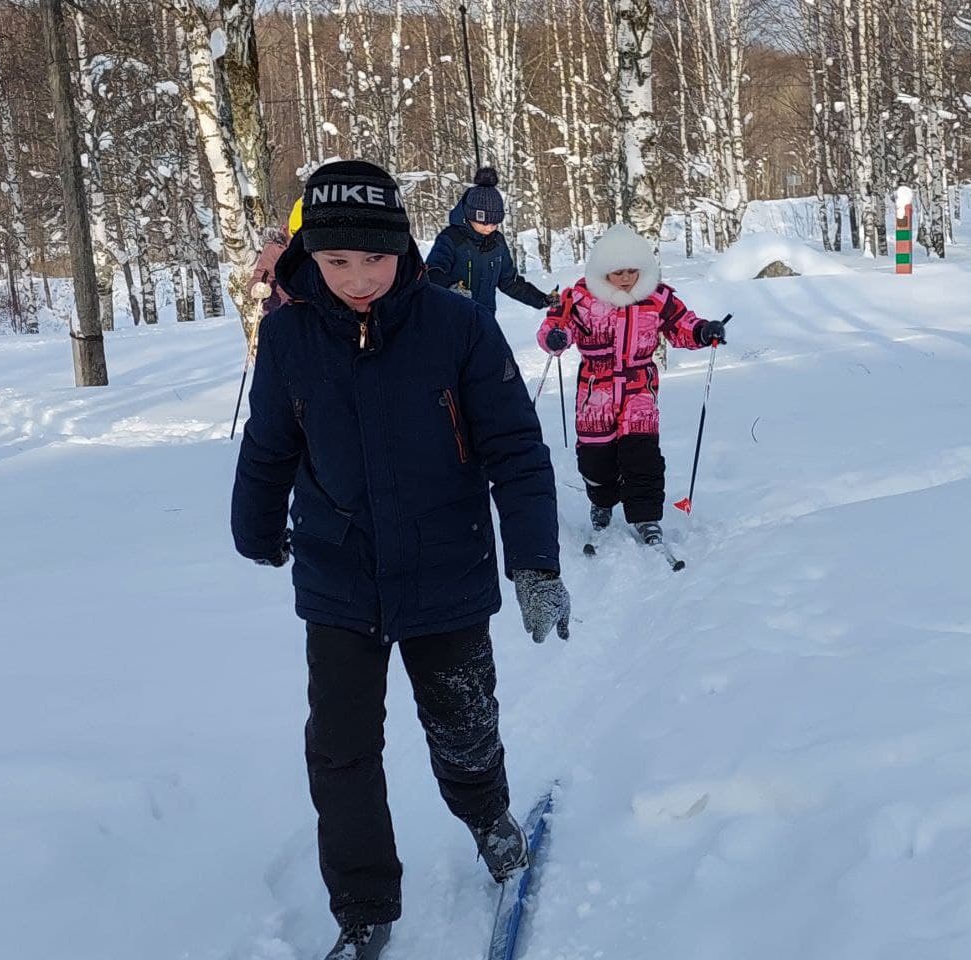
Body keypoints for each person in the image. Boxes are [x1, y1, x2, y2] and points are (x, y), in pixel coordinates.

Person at [231, 160, 572, 960]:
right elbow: (270, 443)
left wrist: (536, 562)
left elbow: (516, 449)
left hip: (445, 569)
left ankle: (487, 816)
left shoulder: (457, 326)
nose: (358, 278)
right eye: (337, 261)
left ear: (405, 248)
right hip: (338, 577)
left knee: (463, 723)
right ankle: (362, 906)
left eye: (375, 259)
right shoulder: (287, 336)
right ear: (309, 256)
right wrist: (256, 527)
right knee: (340, 749)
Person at [536, 223, 727, 546]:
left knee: (642, 454)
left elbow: (682, 324)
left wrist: (703, 331)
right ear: (603, 272)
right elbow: (557, 323)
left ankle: (646, 516)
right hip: (595, 391)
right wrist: (555, 337)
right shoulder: (581, 298)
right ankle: (602, 500)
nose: (626, 279)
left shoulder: (656, 297)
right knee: (596, 458)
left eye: (631, 271)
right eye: (617, 272)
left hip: (639, 388)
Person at [425, 167, 559, 317]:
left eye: (495, 223)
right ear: (469, 215)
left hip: (484, 318)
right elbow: (432, 273)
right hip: (452, 317)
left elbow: (509, 281)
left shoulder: (497, 243)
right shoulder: (451, 239)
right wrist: (451, 288)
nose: (490, 227)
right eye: (484, 222)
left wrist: (541, 299)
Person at [247, 198, 305, 318]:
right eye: (295, 236)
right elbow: (262, 275)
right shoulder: (276, 248)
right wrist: (257, 287)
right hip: (280, 311)